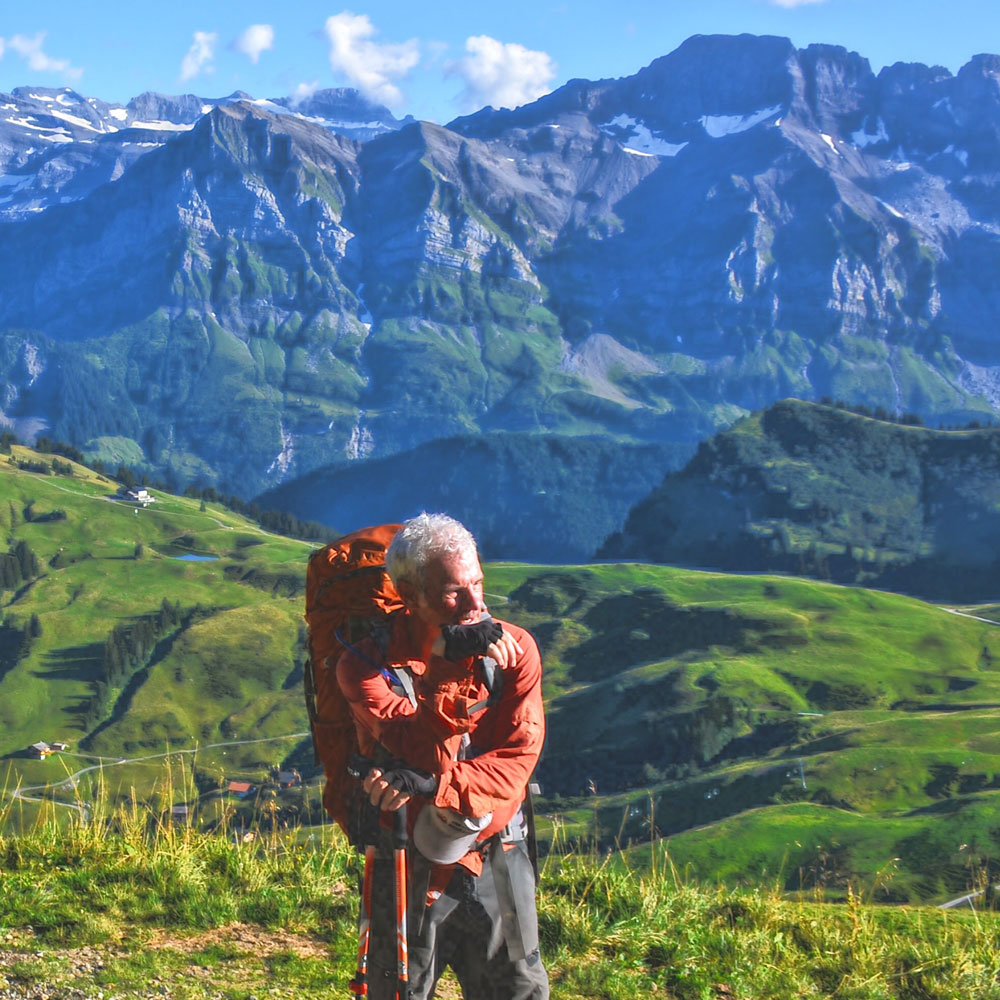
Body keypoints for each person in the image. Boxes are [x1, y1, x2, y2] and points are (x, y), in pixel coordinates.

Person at [336, 512, 548, 1000]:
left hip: (497, 852)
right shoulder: (365, 667)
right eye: (455, 591)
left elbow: (518, 757)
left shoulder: (518, 651)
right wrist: (445, 662)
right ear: (409, 595)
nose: (476, 604)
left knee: (521, 992)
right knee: (399, 994)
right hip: (406, 860)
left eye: (478, 582)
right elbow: (426, 752)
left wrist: (438, 788)